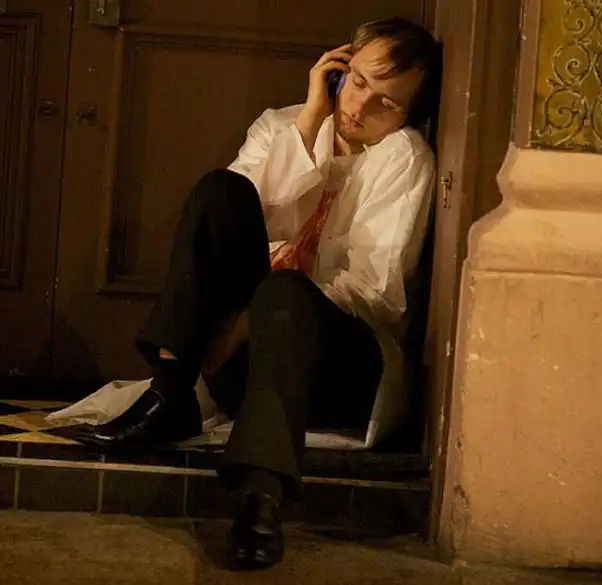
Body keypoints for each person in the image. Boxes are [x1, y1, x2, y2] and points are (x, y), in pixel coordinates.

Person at [77, 17, 441, 569]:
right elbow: (245, 218)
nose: (360, 106)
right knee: (220, 190)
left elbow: (373, 293)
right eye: (358, 81)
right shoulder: (282, 125)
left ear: (409, 113)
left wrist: (254, 316)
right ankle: (171, 395)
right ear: (338, 69)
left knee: (287, 293)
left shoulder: (403, 158)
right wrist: (311, 121)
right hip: (239, 359)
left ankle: (261, 496)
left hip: (334, 368)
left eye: (386, 103)